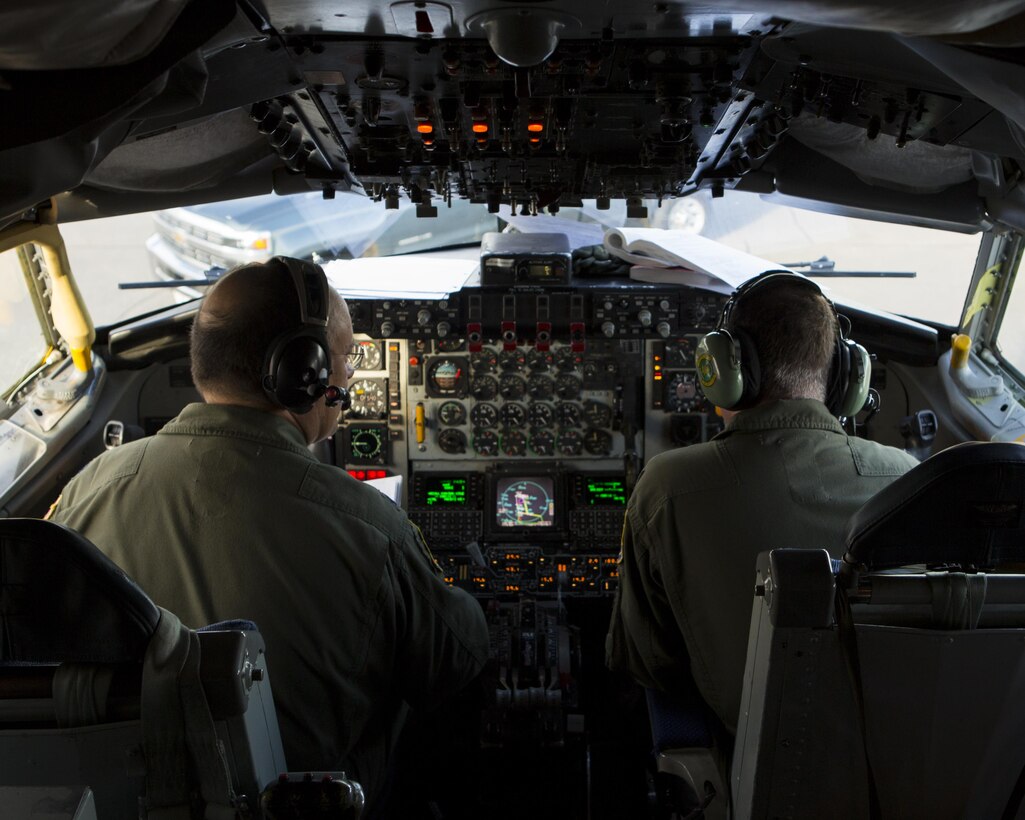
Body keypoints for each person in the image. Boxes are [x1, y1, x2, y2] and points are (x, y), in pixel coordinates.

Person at [48, 256, 489, 810]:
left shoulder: (89, 488)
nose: (348, 374)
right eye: (346, 355)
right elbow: (459, 659)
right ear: (301, 371)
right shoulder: (367, 525)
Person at [605, 271, 919, 739]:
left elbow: (644, 661)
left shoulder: (666, 488)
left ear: (724, 370)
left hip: (753, 770)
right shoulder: (909, 480)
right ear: (843, 379)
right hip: (891, 766)